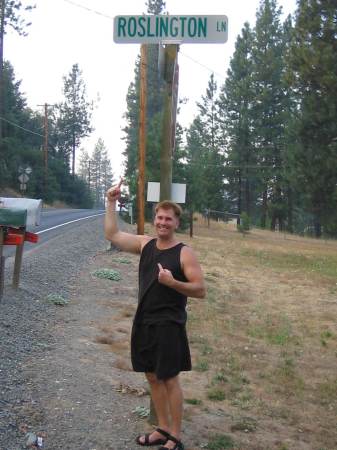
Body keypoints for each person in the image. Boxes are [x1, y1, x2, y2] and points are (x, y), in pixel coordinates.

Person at [104, 180, 205, 450]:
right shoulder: (145, 244)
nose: (163, 222)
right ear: (154, 220)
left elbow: (200, 289)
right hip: (144, 321)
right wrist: (111, 202)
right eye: (159, 218)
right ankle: (161, 428)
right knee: (151, 376)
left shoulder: (184, 252)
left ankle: (175, 436)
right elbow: (112, 234)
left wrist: (173, 283)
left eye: (168, 219)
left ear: (176, 223)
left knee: (169, 378)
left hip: (168, 325)